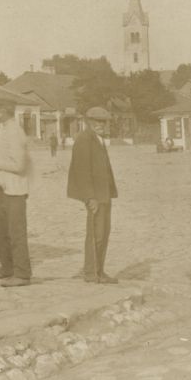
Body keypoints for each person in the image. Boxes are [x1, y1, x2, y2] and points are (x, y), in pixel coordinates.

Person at [67, 107, 119, 284]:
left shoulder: (98, 139)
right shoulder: (84, 139)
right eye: (97, 121)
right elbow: (82, 171)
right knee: (95, 234)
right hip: (95, 196)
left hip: (104, 194)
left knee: (103, 233)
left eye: (103, 121)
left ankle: (99, 271)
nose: (101, 125)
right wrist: (90, 198)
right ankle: (90, 273)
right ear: (88, 122)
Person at [0, 102, 33, 287]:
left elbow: (20, 165)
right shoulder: (5, 129)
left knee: (16, 233)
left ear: (5, 110)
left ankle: (22, 274)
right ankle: (8, 268)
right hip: (2, 188)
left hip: (14, 190)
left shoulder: (14, 131)